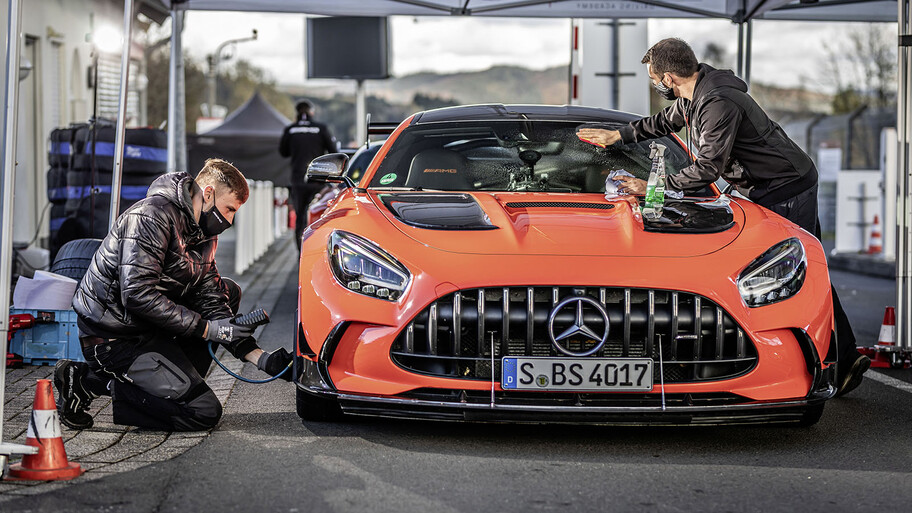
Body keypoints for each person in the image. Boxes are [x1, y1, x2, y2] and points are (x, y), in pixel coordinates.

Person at [576, 38, 870, 397]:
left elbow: (706, 171)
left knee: (793, 272)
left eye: (654, 78)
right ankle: (845, 358)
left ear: (668, 77)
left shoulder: (717, 102)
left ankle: (827, 365)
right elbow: (661, 123)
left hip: (786, 187)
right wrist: (618, 135)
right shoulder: (693, 94)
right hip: (766, 185)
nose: (655, 84)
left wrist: (648, 185)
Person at [55, 159, 293, 432]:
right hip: (114, 336)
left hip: (150, 326)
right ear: (208, 194)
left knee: (228, 291)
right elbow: (136, 293)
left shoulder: (203, 232)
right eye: (229, 209)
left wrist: (260, 358)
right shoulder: (150, 216)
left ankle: (173, 382)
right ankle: (85, 381)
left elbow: (211, 296)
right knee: (202, 412)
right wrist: (206, 329)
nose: (229, 220)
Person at [279, 99, 338, 249]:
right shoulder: (321, 128)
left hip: (298, 181)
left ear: (297, 113)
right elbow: (334, 152)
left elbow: (283, 152)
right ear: (311, 112)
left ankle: (301, 252)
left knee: (300, 218)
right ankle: (318, 248)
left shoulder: (290, 129)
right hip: (318, 180)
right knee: (320, 216)